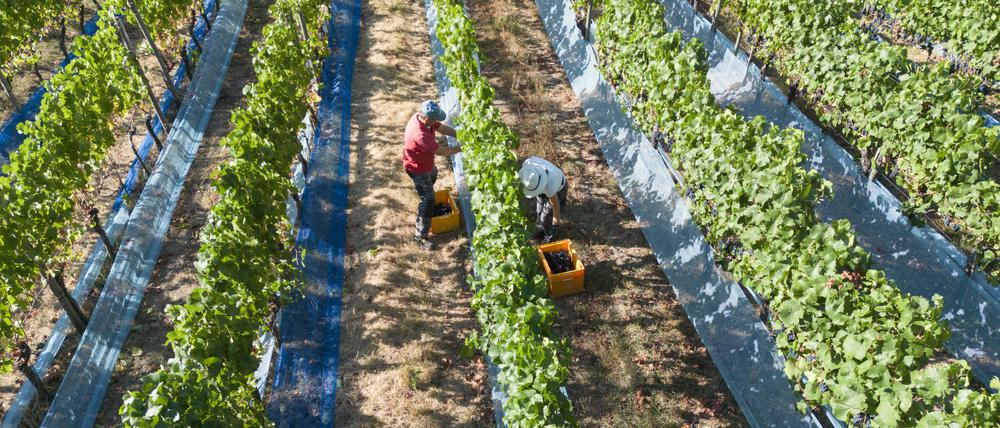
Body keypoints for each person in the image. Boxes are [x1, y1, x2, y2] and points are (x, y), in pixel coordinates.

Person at [403, 100, 462, 250]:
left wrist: (458, 134)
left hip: (426, 165)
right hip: (417, 169)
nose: (437, 121)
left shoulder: (423, 118)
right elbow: (441, 151)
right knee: (429, 200)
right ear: (428, 118)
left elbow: (440, 127)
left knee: (434, 173)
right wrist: (461, 148)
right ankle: (420, 236)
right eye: (435, 118)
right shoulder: (419, 134)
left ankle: (425, 197)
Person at [519, 156, 568, 243]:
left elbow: (555, 206)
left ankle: (548, 233)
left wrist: (555, 226)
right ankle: (541, 228)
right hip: (542, 182)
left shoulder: (550, 185)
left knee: (545, 217)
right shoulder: (528, 166)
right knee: (539, 210)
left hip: (559, 188)